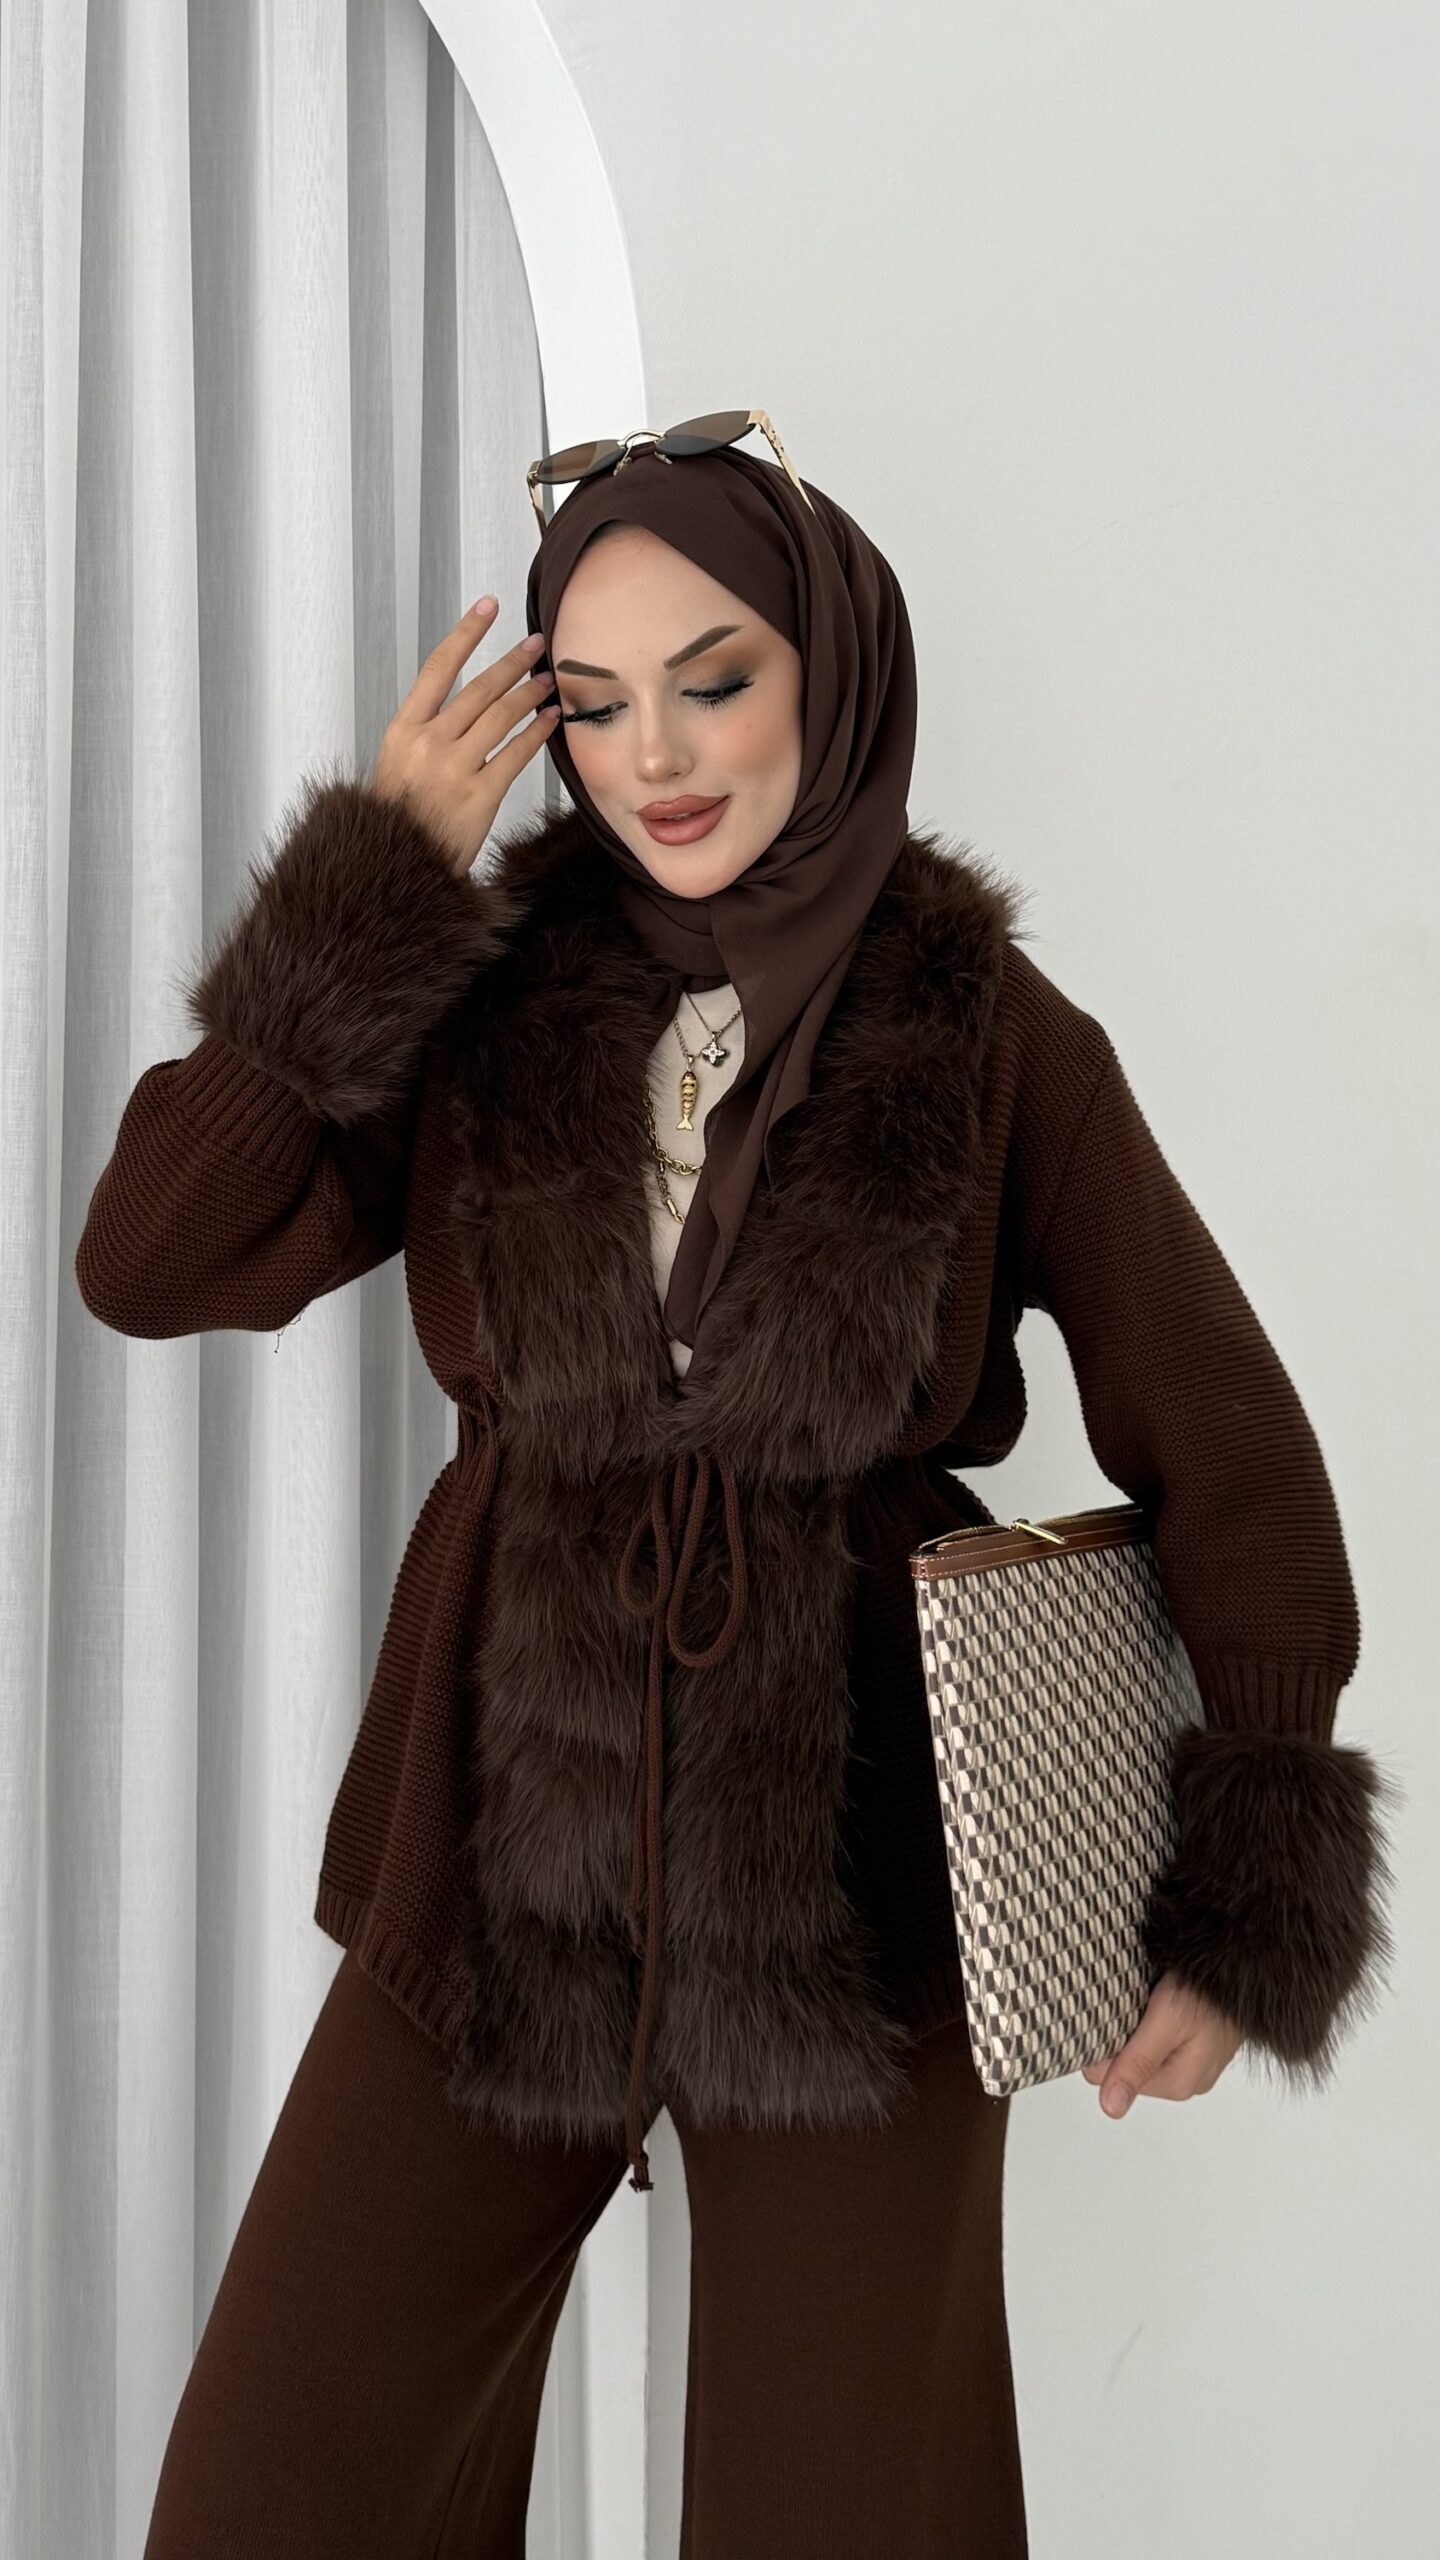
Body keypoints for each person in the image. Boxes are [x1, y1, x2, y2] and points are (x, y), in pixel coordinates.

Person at [76, 435, 1394, 2558]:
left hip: (860, 1901)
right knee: (270, 2503)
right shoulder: (486, 994)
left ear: (832, 670)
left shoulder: (990, 1031)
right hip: (494, 1874)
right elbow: (151, 1259)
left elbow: (1234, 1452)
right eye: (595, 706)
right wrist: (373, 894)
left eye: (715, 679)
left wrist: (1245, 1905)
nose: (658, 758)